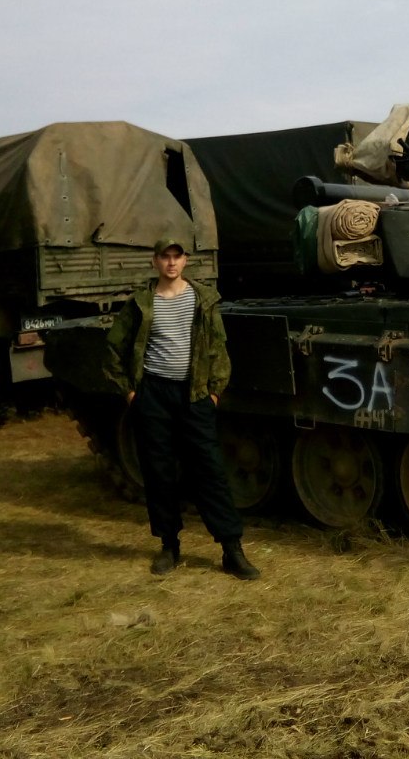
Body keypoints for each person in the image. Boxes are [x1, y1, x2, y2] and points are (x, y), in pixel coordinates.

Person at [104, 236, 260, 580]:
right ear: (155, 261)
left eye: (177, 256)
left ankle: (231, 549)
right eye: (165, 257)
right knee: (159, 471)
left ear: (185, 260)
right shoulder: (142, 303)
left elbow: (218, 348)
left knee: (210, 470)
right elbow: (114, 348)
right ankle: (169, 545)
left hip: (194, 394)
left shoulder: (202, 299)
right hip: (154, 395)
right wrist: (132, 395)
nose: (171, 263)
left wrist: (214, 393)